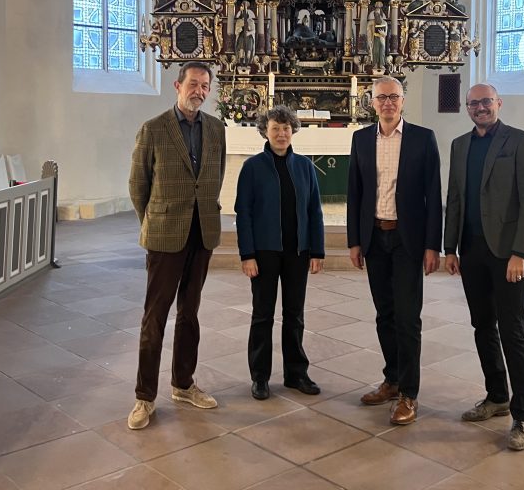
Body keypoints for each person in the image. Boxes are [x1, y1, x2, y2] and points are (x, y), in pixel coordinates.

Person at [127, 62, 226, 430]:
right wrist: (154, 223)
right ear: (177, 85)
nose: (199, 91)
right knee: (154, 318)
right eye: (193, 84)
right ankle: (144, 397)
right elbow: (138, 186)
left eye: (204, 85)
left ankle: (183, 384)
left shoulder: (216, 129)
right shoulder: (153, 129)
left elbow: (213, 179)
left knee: (190, 314)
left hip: (202, 234)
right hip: (166, 235)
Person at [443, 83, 524, 451]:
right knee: (482, 325)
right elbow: (454, 197)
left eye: (486, 102)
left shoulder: (520, 141)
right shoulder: (460, 145)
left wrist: (520, 252)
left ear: (498, 103)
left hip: (508, 254)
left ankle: (523, 415)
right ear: (467, 108)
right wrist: (449, 247)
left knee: (512, 331)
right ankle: (497, 395)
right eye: (474, 104)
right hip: (471, 252)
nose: (480, 108)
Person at [346, 76, 442, 426]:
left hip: (408, 239)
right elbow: (354, 192)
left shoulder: (422, 138)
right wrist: (354, 240)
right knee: (384, 314)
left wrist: (433, 245)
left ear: (403, 101)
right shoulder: (360, 139)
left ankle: (409, 393)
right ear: (372, 102)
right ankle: (392, 379)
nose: (387, 103)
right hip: (375, 237)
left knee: (407, 317)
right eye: (381, 97)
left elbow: (434, 196)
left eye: (394, 97)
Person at [235, 105, 326, 400]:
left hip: (297, 251)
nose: (281, 133)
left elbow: (314, 210)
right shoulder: (252, 167)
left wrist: (317, 250)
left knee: (295, 315)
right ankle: (260, 377)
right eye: (275, 128)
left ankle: (296, 373)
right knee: (263, 315)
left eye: (286, 128)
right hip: (264, 252)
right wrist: (247, 254)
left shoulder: (305, 167)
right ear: (265, 131)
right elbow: (244, 212)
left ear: (293, 130)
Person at [369, 1, 388, 72]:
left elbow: (385, 34)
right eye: (375, 14)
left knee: (382, 51)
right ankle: (375, 64)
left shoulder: (385, 23)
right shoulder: (372, 22)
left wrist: (382, 33)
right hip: (375, 38)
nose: (376, 15)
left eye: (377, 14)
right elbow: (369, 29)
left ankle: (381, 64)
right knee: (375, 51)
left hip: (382, 38)